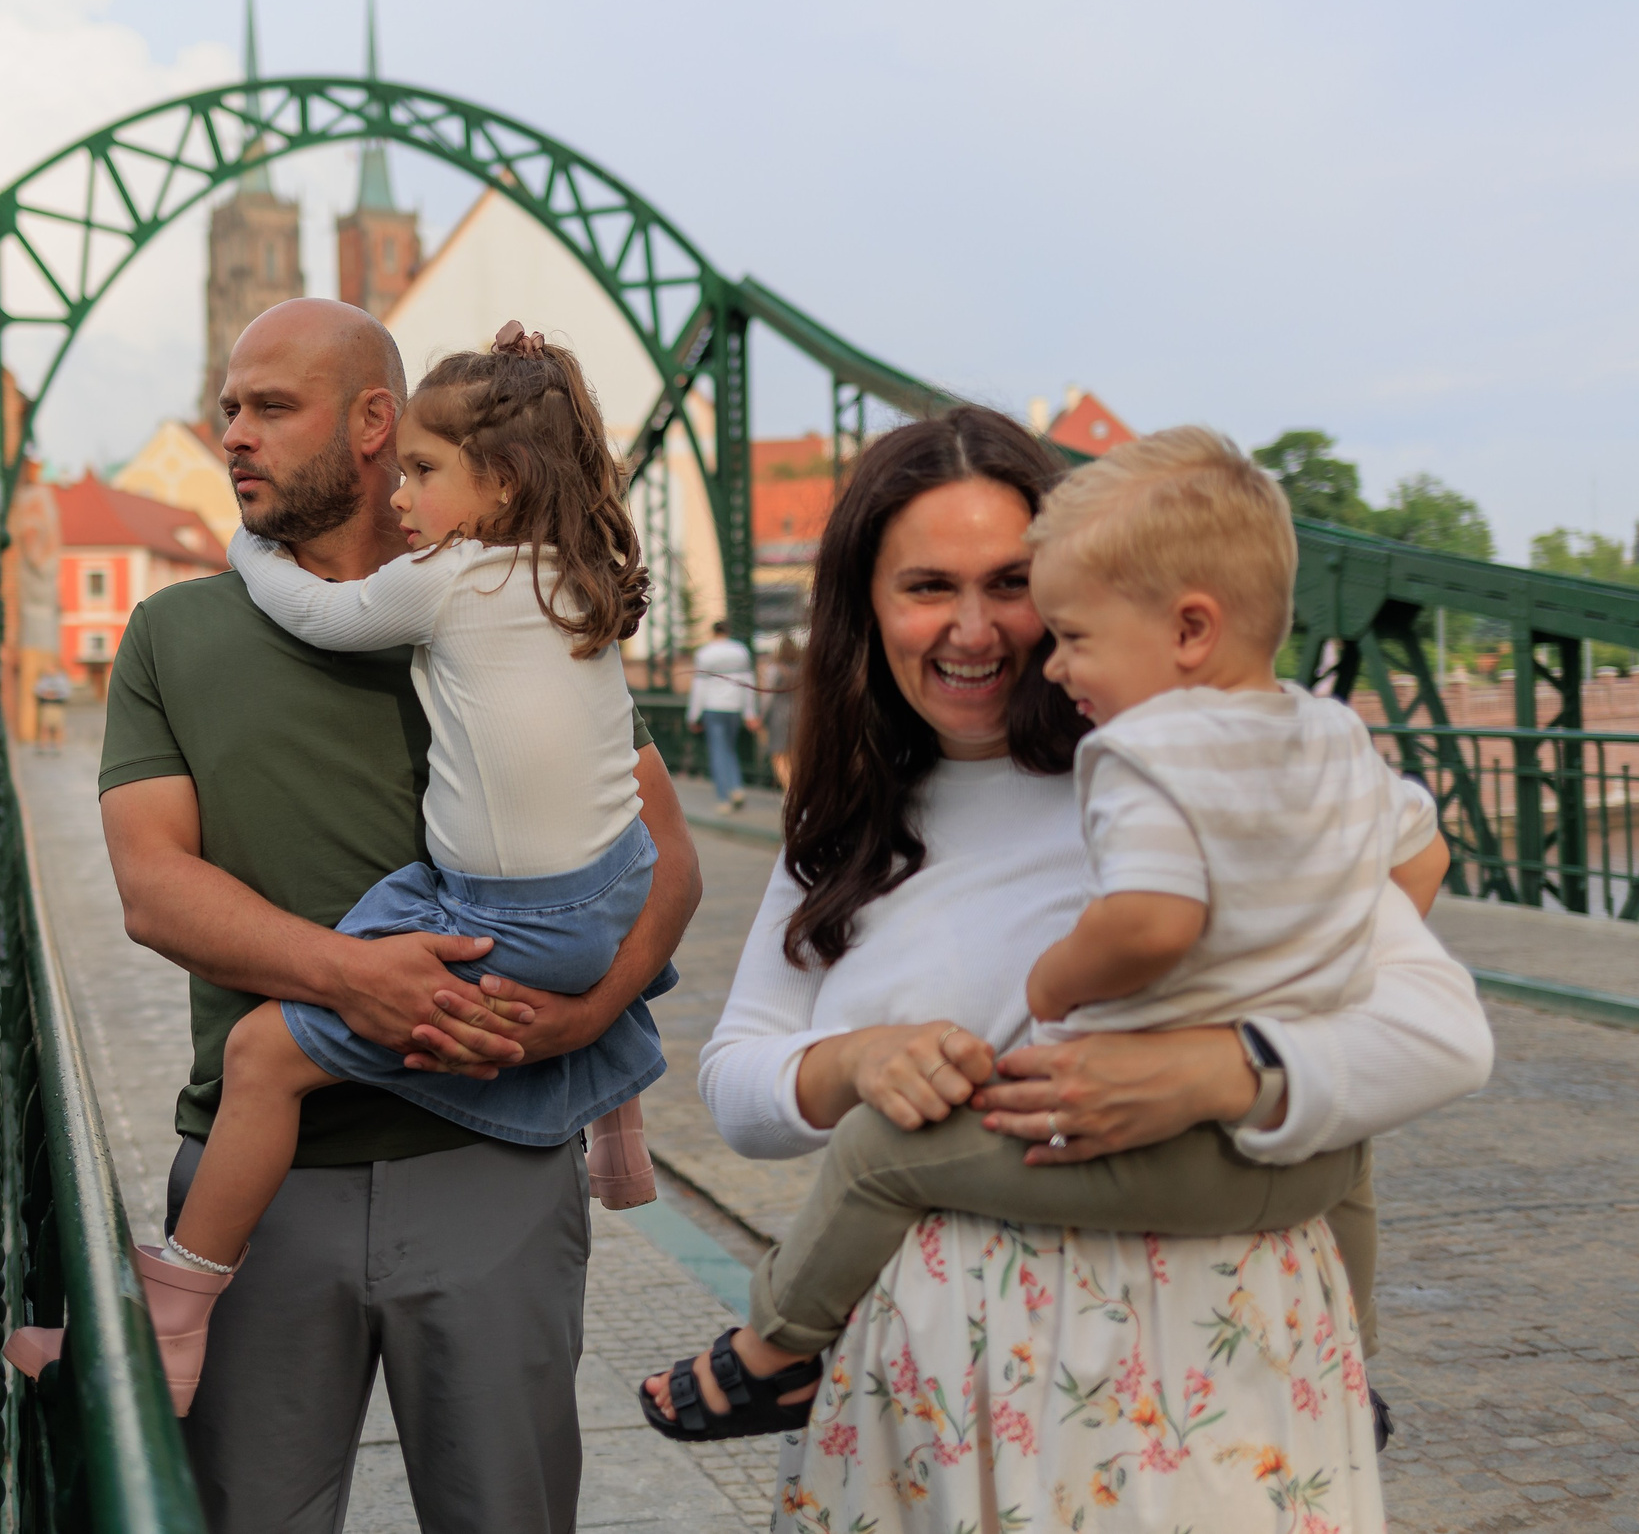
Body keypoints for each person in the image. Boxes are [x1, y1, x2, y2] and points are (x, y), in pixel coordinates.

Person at [637, 408, 1490, 1528]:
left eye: (1012, 584)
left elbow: (1437, 1035)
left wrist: (1215, 1073)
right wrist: (851, 1062)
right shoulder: (848, 826)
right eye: (929, 586)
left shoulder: (1185, 779)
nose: (977, 630)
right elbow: (739, 1087)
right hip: (932, 1394)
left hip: (1201, 1379)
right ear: (868, 607)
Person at [56, 298, 700, 1534]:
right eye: (227, 406)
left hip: (492, 1168)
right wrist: (356, 982)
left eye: (268, 407)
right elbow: (151, 887)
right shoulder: (173, 632)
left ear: (369, 423)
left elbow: (659, 858)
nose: (231, 433)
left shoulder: (516, 606)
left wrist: (589, 1019)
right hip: (270, 1187)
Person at [688, 620, 760, 811]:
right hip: (735, 707)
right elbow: (748, 682)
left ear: (713, 632)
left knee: (717, 752)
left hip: (713, 707)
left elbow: (699, 687)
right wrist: (750, 711)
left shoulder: (704, 654)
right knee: (729, 749)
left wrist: (694, 715)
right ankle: (736, 787)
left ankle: (723, 798)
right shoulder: (740, 651)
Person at [762, 634, 802, 789]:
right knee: (795, 755)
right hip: (800, 713)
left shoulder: (775, 669)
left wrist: (761, 716)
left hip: (779, 715)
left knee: (779, 755)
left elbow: (768, 696)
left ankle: (789, 788)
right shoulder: (802, 669)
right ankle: (796, 787)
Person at [32, 664, 72, 754]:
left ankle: (58, 747)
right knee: (44, 726)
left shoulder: (61, 679)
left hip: (57, 706)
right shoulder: (44, 679)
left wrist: (55, 694)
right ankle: (43, 746)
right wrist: (46, 694)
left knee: (58, 727)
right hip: (47, 705)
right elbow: (37, 689)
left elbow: (66, 692)